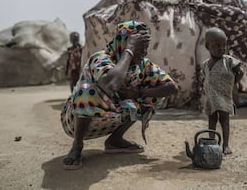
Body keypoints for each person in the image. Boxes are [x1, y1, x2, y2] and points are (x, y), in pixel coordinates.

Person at [61, 20, 178, 170]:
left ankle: (114, 140)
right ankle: (77, 146)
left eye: (145, 47)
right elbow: (112, 85)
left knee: (152, 95)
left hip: (108, 118)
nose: (144, 52)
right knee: (86, 91)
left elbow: (171, 87)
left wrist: (138, 93)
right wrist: (129, 51)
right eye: (140, 48)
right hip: (75, 120)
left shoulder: (142, 65)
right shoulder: (101, 58)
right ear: (124, 44)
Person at [202, 27, 243, 155]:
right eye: (217, 45)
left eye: (224, 45)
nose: (221, 48)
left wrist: (232, 83)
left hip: (224, 95)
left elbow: (240, 73)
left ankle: (225, 145)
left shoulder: (229, 61)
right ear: (208, 46)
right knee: (212, 119)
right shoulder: (205, 64)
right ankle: (212, 142)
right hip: (210, 97)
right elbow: (207, 78)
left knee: (224, 119)